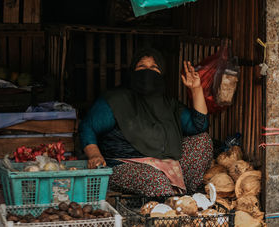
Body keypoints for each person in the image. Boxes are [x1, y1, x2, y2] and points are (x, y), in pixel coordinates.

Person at [79, 48, 213, 196]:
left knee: (202, 141)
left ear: (162, 75)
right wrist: (94, 155)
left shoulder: (169, 104)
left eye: (154, 68)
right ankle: (170, 205)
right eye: (142, 67)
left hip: (166, 164)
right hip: (124, 165)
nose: (147, 72)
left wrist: (196, 89)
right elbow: (88, 126)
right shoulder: (116, 100)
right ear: (132, 72)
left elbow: (199, 126)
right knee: (156, 181)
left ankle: (188, 197)